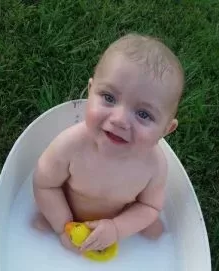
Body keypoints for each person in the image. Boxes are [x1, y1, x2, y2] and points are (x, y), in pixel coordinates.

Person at [33, 33, 184, 254]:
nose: (120, 119)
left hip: (117, 216)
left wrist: (117, 228)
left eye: (143, 113)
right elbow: (45, 184)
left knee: (155, 233)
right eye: (109, 97)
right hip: (67, 208)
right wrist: (63, 226)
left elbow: (150, 206)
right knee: (39, 225)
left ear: (166, 130)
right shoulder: (71, 145)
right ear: (91, 91)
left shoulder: (154, 166)